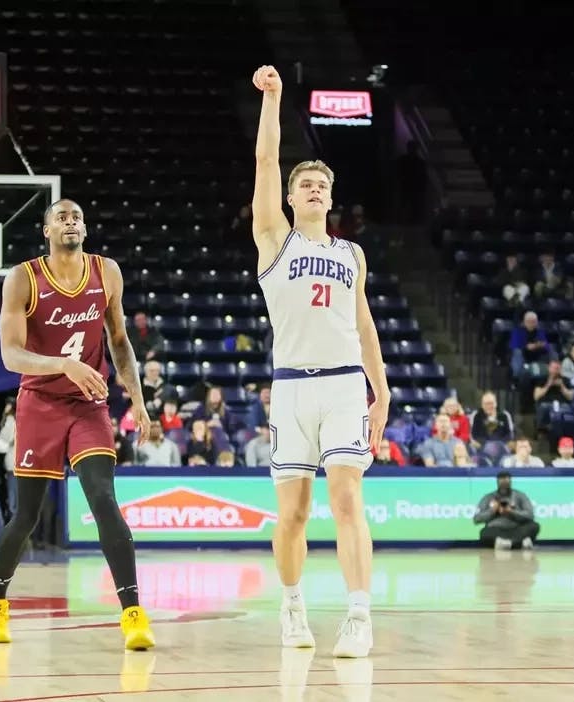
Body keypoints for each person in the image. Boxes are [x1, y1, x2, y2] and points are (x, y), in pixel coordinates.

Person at [251, 64, 390, 659]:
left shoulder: (352, 254)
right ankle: (291, 605)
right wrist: (274, 100)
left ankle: (359, 615)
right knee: (295, 513)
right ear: (289, 197)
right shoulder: (274, 240)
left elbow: (363, 324)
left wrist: (379, 390)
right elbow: (263, 164)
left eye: (320, 184)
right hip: (290, 390)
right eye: (303, 182)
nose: (312, 188)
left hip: (341, 387)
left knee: (347, 496)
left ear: (330, 198)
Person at [0, 199, 155, 651]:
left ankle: (133, 614)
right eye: (61, 217)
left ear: (85, 228)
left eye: (76, 217)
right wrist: (63, 364)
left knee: (102, 497)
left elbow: (118, 341)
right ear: (46, 230)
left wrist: (137, 399)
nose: (70, 222)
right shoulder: (23, 278)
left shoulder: (106, 272)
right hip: (39, 402)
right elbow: (10, 355)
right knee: (27, 516)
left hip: (89, 403)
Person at [472, 471, 541, 550]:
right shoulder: (488, 497)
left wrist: (511, 512)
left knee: (534, 526)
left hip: (518, 529)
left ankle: (507, 544)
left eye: (507, 483)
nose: (504, 486)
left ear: (510, 482)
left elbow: (530, 515)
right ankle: (520, 543)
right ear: (497, 483)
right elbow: (476, 519)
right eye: (502, 483)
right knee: (484, 533)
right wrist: (493, 510)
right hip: (497, 530)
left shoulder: (520, 495)